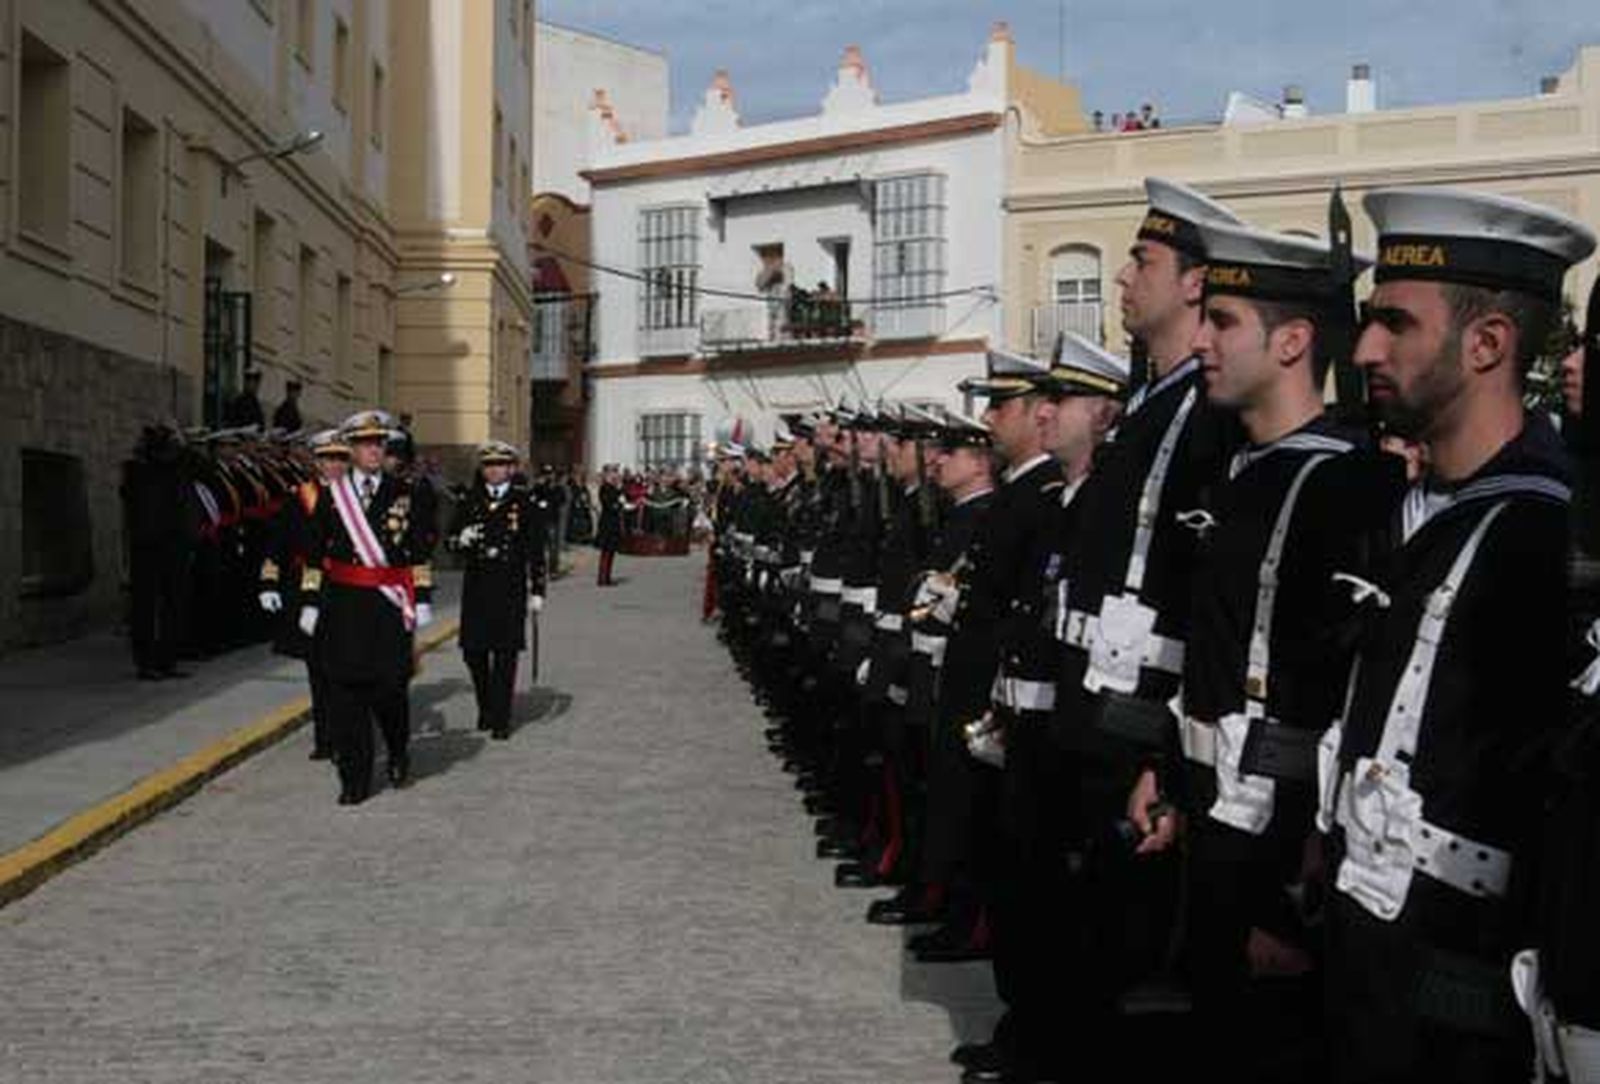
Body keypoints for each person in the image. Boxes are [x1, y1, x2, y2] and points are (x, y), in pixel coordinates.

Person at [1319, 187, 1594, 1083]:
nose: (1363, 350)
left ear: (1487, 345)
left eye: (1395, 323)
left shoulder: (1546, 540)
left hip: (1462, 998)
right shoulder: (1431, 517)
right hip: (1375, 963)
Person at [1166, 216, 1379, 1082]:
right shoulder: (1242, 470)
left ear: (1292, 340)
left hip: (1274, 851)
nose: (1202, 340)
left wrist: (1290, 895)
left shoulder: (1341, 483)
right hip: (1215, 824)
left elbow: (1331, 691)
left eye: (1224, 323)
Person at [1038, 177, 1243, 1072]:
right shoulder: (1155, 404)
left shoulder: (1207, 408)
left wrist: (1159, 751)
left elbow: (1206, 593)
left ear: (1195, 285)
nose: (1121, 278)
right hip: (1098, 709)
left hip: (1143, 720)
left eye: (1143, 261)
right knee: (1085, 927)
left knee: (1131, 951)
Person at [962, 334, 1128, 1082]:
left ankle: (1046, 1041)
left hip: (1068, 737)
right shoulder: (1066, 503)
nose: (1048, 413)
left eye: (1064, 401)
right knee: (1025, 891)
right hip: (1029, 724)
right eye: (1046, 400)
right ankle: (1028, 1030)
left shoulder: (1103, 505)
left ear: (1106, 413)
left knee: (1057, 907)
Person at [296, 409, 439, 805]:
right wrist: (310, 602)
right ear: (351, 449)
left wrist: (422, 597)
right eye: (364, 444)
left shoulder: (405, 493)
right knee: (346, 693)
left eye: (379, 442)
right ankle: (354, 779)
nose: (374, 449)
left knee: (390, 689)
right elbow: (313, 554)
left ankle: (397, 750)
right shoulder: (332, 494)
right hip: (342, 606)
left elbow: (419, 550)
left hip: (388, 606)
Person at [259, 428, 350, 759]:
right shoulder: (300, 497)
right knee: (317, 667)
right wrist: (269, 582)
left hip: (348, 590)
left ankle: (345, 734)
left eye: (341, 458)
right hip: (308, 589)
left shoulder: (358, 497)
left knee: (344, 667)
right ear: (316, 462)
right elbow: (277, 545)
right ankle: (325, 738)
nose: (335, 465)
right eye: (328, 459)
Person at [447, 441, 547, 739]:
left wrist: (538, 589)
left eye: (500, 465)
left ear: (511, 468)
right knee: (473, 653)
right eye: (488, 465)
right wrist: (459, 540)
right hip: (477, 586)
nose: (494, 470)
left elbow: (535, 549)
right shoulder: (469, 500)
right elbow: (449, 540)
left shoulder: (524, 502)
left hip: (509, 587)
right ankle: (486, 703)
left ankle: (500, 717)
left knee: (505, 654)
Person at [121, 424, 199, 680]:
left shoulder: (174, 468)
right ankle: (148, 662)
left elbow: (198, 464)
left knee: (171, 604)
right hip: (149, 547)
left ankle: (165, 659)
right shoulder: (139, 470)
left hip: (171, 546)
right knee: (147, 606)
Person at [596, 464, 623, 586]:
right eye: (613, 473)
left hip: (613, 523)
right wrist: (618, 504)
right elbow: (608, 503)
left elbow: (620, 499)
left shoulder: (614, 488)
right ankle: (602, 578)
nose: (615, 475)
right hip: (607, 523)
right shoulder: (605, 488)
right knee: (606, 551)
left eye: (615, 473)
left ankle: (607, 576)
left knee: (611, 551)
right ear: (607, 475)